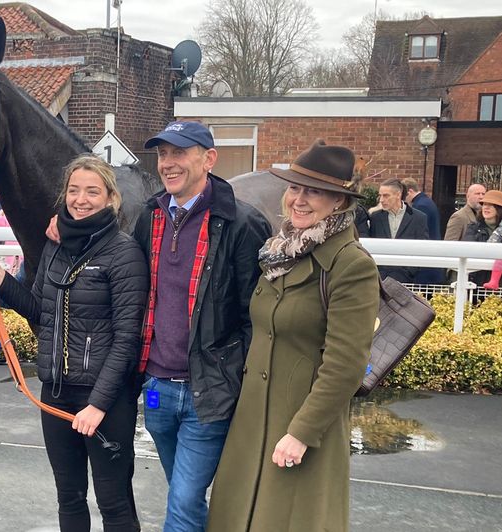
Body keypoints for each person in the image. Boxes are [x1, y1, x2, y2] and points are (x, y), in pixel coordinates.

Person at [206, 140, 379, 532]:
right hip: (251, 421)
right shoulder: (278, 252)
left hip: (301, 427)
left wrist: (302, 433)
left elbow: (346, 365)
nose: (299, 200)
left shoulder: (350, 265)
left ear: (338, 202)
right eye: (295, 188)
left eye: (314, 191)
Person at [0, 155, 148, 531]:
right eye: (73, 190)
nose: (80, 199)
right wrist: (0, 276)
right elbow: (40, 310)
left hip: (104, 401)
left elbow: (126, 340)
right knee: (68, 498)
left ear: (110, 198)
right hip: (55, 393)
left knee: (114, 503)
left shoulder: (124, 253)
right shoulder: (55, 247)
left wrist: (98, 405)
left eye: (92, 191)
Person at [130, 122, 271, 531]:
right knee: (183, 496)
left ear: (209, 159)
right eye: (162, 154)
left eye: (180, 153)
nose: (168, 163)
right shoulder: (150, 217)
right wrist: (62, 230)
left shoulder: (241, 223)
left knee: (184, 500)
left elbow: (255, 315)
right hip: (156, 389)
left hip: (208, 392)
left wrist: (236, 377)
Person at [368, 178, 429, 283]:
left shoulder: (419, 218)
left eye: (386, 195)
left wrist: (409, 272)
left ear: (398, 194)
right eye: (380, 195)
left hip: (406, 279)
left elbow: (422, 248)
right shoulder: (375, 217)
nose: (381, 200)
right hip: (378, 278)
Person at [401, 177, 443, 284]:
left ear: (409, 192)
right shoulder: (426, 202)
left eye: (403, 195)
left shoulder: (420, 206)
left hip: (426, 259)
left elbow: (415, 230)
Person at [461, 189, 502, 287]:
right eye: (484, 204)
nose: (486, 207)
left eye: (491, 205)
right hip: (477, 284)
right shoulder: (474, 227)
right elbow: (468, 250)